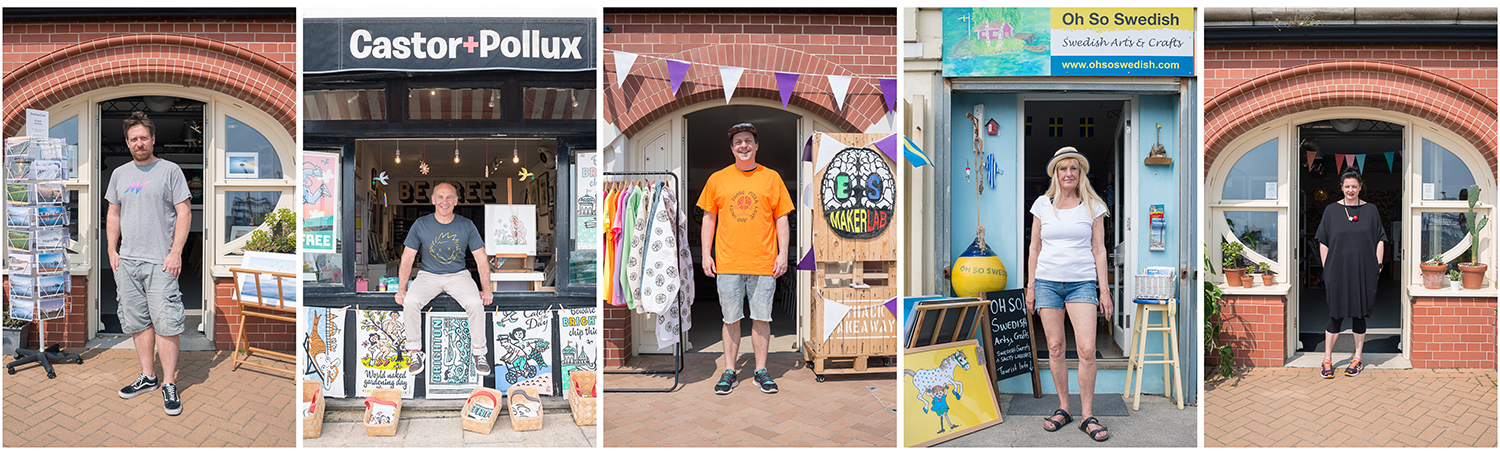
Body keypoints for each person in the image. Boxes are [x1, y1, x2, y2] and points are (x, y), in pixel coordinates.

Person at [698, 123, 793, 395]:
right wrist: (706, 254)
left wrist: (783, 254)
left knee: (762, 319)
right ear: (731, 148)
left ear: (756, 146)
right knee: (730, 319)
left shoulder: (772, 178)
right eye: (738, 141)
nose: (743, 146)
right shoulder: (718, 179)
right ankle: (729, 371)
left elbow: (781, 219)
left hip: (764, 263)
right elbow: (709, 219)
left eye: (748, 141)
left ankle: (760, 371)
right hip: (728, 262)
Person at [1025, 146, 1112, 442]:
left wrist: (1105, 291)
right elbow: (1034, 248)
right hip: (1047, 282)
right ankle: (1064, 407)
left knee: (1087, 349)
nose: (1069, 173)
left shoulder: (1094, 206)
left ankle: (1087, 414)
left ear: (1081, 173)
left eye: (1074, 168)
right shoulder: (1041, 204)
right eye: (1063, 168)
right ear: (1055, 173)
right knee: (1055, 348)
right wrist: (1031, 286)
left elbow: (1099, 249)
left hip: (1082, 283)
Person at [109, 111, 192, 416]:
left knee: (167, 323)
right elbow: (113, 215)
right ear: (127, 143)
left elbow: (184, 213)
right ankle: (149, 376)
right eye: (134, 139)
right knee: (137, 322)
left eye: (144, 137)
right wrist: (112, 250)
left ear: (153, 139)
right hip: (128, 261)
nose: (139, 143)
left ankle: (169, 383)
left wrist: (175, 252)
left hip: (160, 262)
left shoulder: (170, 171)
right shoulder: (119, 175)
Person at [395, 182, 493, 377]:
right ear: (433, 200)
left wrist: (486, 289)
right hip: (428, 275)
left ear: (456, 201)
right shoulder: (421, 224)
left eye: (449, 197)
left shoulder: (466, 225)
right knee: (411, 301)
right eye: (440, 197)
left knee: (475, 303)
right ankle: (415, 352)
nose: (444, 201)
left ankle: (479, 353)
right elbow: (407, 258)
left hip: (458, 275)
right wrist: (401, 288)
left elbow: (481, 258)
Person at [1316, 169, 1385, 378]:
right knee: (1335, 315)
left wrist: (1378, 265)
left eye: (1354, 186)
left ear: (1360, 186)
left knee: (1359, 314)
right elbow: (1323, 241)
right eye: (1347, 186)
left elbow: (1380, 238)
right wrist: (1326, 268)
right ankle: (1327, 359)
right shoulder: (1331, 210)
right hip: (1337, 271)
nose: (1351, 190)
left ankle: (1357, 358)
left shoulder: (1371, 210)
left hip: (1364, 270)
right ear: (1342, 187)